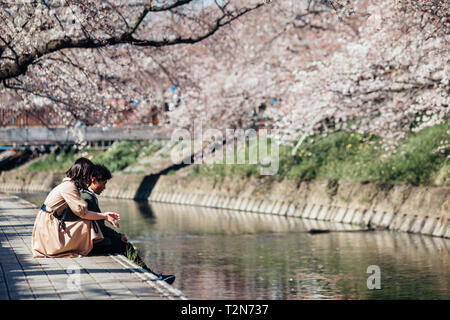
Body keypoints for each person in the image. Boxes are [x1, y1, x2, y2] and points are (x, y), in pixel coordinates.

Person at [69, 163, 175, 284]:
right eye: (104, 183)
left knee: (121, 244)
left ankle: (148, 274)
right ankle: (151, 277)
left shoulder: (86, 195)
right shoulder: (87, 198)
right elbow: (100, 228)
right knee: (125, 246)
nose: (104, 187)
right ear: (94, 180)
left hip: (83, 241)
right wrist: (119, 236)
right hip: (88, 245)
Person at [32, 157, 120, 258]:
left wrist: (104, 216)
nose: (90, 179)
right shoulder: (70, 187)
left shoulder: (68, 185)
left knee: (86, 223)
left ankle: (89, 246)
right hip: (48, 227)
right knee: (87, 223)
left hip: (46, 223)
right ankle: (90, 248)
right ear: (84, 174)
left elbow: (81, 212)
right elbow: (83, 213)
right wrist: (105, 216)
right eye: (89, 176)